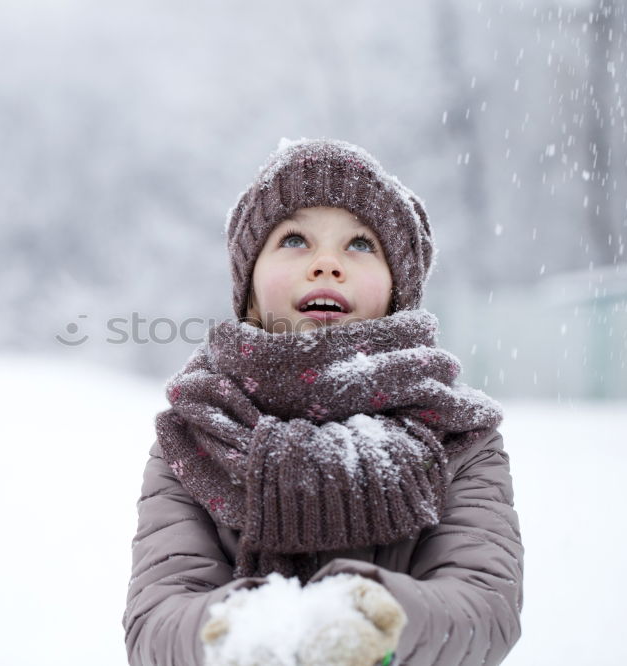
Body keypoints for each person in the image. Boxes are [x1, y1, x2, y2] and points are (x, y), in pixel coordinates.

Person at [123, 138, 524, 665]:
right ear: (248, 291)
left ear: (397, 291)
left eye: (361, 244)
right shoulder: (197, 433)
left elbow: (484, 605)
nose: (328, 263)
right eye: (294, 239)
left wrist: (371, 621)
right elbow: (158, 619)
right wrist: (243, 636)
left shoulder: (457, 434)